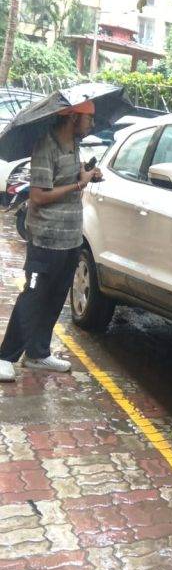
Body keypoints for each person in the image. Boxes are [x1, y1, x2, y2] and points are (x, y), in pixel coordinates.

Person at [0, 100, 102, 382]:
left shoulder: (74, 146)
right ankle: (6, 356)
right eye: (89, 119)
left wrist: (86, 174)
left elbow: (68, 180)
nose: (92, 124)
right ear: (73, 118)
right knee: (33, 296)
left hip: (70, 237)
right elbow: (39, 196)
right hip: (46, 239)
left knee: (56, 295)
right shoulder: (46, 147)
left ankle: (37, 353)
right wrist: (79, 184)